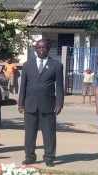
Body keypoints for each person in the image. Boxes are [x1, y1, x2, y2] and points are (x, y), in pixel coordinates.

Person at [18, 39, 64, 167]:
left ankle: (49, 156)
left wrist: (59, 103)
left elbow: (60, 87)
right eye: (39, 48)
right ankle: (30, 156)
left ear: (48, 49)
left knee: (49, 133)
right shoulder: (27, 65)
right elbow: (23, 85)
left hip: (48, 104)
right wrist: (21, 102)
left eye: (44, 48)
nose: (41, 50)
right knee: (30, 132)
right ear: (35, 49)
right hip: (30, 103)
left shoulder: (56, 65)